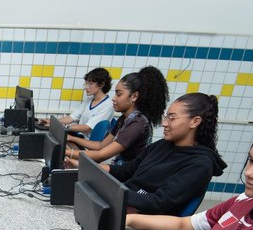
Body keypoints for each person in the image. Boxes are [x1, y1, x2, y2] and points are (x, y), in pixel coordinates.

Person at [67, 93, 226, 215]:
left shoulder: (200, 164)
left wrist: (109, 189)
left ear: (195, 121)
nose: (164, 123)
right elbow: (127, 170)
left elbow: (157, 202)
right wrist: (86, 168)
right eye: (166, 117)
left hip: (141, 218)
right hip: (123, 202)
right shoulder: (163, 145)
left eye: (172, 118)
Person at [66, 66, 168, 163]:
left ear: (134, 96)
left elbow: (101, 154)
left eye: (119, 94)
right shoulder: (124, 119)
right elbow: (101, 145)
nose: (114, 98)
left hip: (128, 177)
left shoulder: (137, 123)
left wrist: (66, 152)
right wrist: (72, 139)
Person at [54, 67, 114, 139]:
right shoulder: (90, 100)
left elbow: (87, 128)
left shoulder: (108, 105)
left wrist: (64, 126)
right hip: (80, 136)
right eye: (86, 84)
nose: (86, 87)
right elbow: (70, 118)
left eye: (90, 84)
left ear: (101, 84)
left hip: (88, 143)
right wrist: (52, 122)